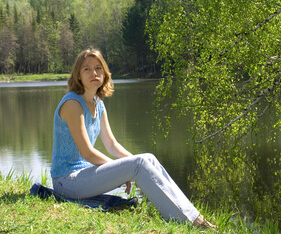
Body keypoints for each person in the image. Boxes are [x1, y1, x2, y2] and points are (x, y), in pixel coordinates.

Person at [50, 48, 217, 230]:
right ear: (78, 75)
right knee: (137, 164)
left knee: (148, 159)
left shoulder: (98, 103)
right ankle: (193, 222)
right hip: (66, 181)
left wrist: (133, 165)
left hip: (84, 176)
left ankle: (192, 216)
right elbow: (87, 153)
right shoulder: (72, 103)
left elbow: (112, 145)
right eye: (87, 69)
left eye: (98, 68)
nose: (94, 73)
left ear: (104, 73)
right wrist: (124, 171)